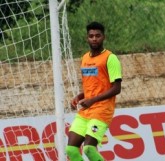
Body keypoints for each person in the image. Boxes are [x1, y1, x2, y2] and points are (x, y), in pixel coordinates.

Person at [65, 21, 122, 161]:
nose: (94, 39)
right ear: (87, 38)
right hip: (86, 110)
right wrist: (80, 96)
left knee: (89, 149)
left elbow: (116, 88)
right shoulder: (85, 58)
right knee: (71, 150)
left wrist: (92, 100)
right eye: (91, 36)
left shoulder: (110, 58)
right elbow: (93, 85)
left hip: (101, 111)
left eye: (98, 35)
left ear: (104, 37)